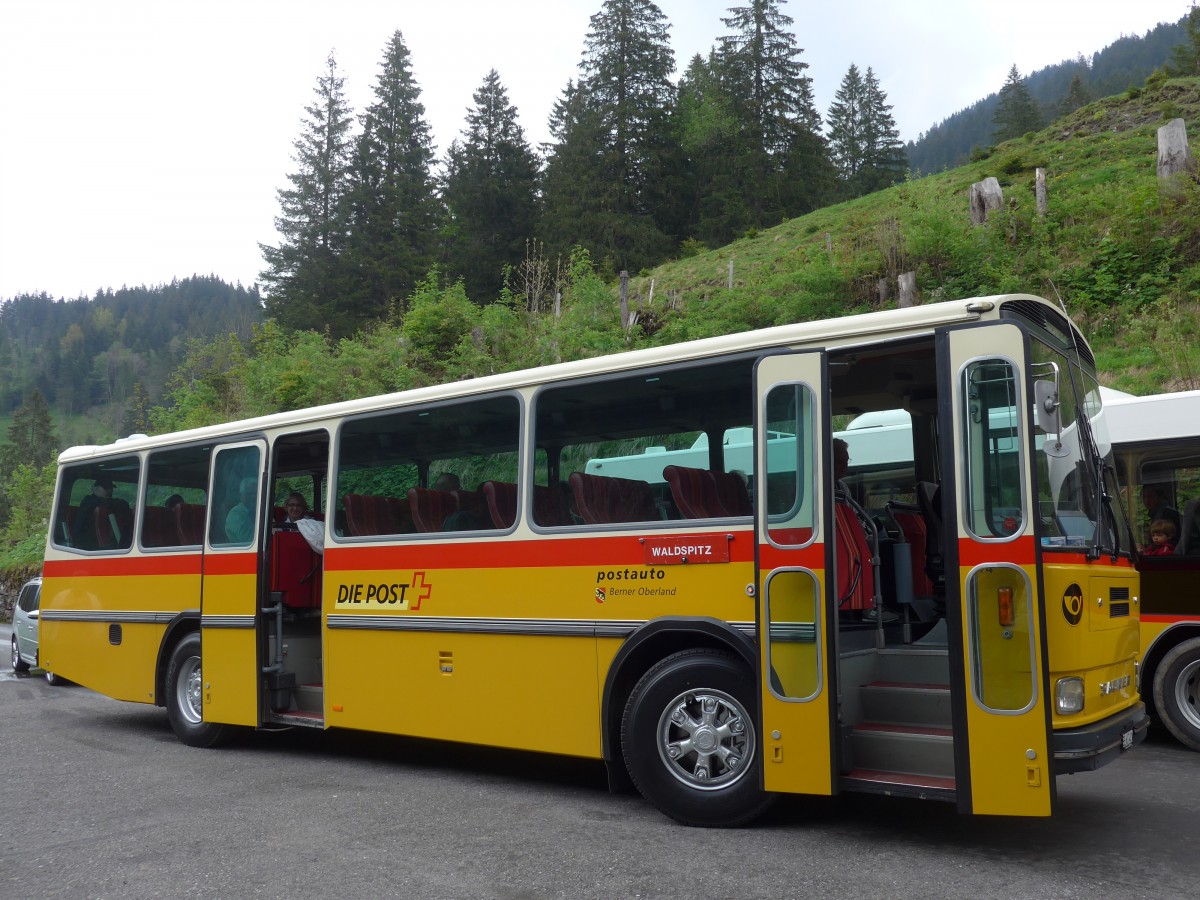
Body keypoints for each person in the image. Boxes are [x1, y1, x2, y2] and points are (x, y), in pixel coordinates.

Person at [73, 475, 132, 550]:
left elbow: (124, 504)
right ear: (95, 489)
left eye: (111, 488)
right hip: (85, 547)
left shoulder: (106, 503)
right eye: (106, 488)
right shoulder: (88, 501)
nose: (110, 491)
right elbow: (109, 503)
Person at [279, 490, 324, 555]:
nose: (295, 508)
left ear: (303, 507)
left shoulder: (313, 523)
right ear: (286, 507)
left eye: (298, 505)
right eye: (291, 505)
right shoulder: (280, 526)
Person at [224, 477, 257, 544]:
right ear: (241, 495)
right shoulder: (235, 514)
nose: (253, 496)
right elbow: (250, 540)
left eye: (255, 493)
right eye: (249, 493)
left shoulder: (257, 511)